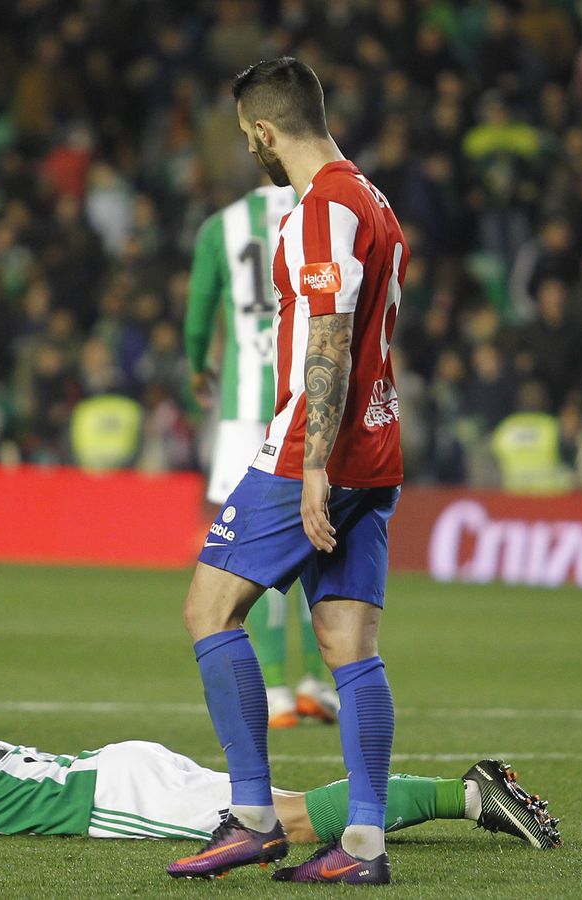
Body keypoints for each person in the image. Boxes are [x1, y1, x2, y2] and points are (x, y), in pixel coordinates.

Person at [175, 57, 410, 884]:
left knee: (209, 609)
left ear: (269, 132)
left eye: (249, 138)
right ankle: (363, 849)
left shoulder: (320, 211)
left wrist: (312, 467)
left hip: (317, 450)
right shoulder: (373, 199)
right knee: (349, 642)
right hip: (378, 450)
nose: (250, 151)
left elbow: (329, 341)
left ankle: (250, 817)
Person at [0, 710, 559, 853]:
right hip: (114, 768)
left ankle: (471, 793)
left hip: (107, 801)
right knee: (277, 811)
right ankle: (470, 795)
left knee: (289, 825)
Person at [186, 179, 340, 730]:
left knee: (253, 548)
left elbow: (198, 320)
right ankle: (315, 683)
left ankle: (273, 688)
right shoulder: (319, 213)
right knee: (312, 535)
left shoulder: (220, 226)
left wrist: (196, 371)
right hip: (306, 402)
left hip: (242, 412)